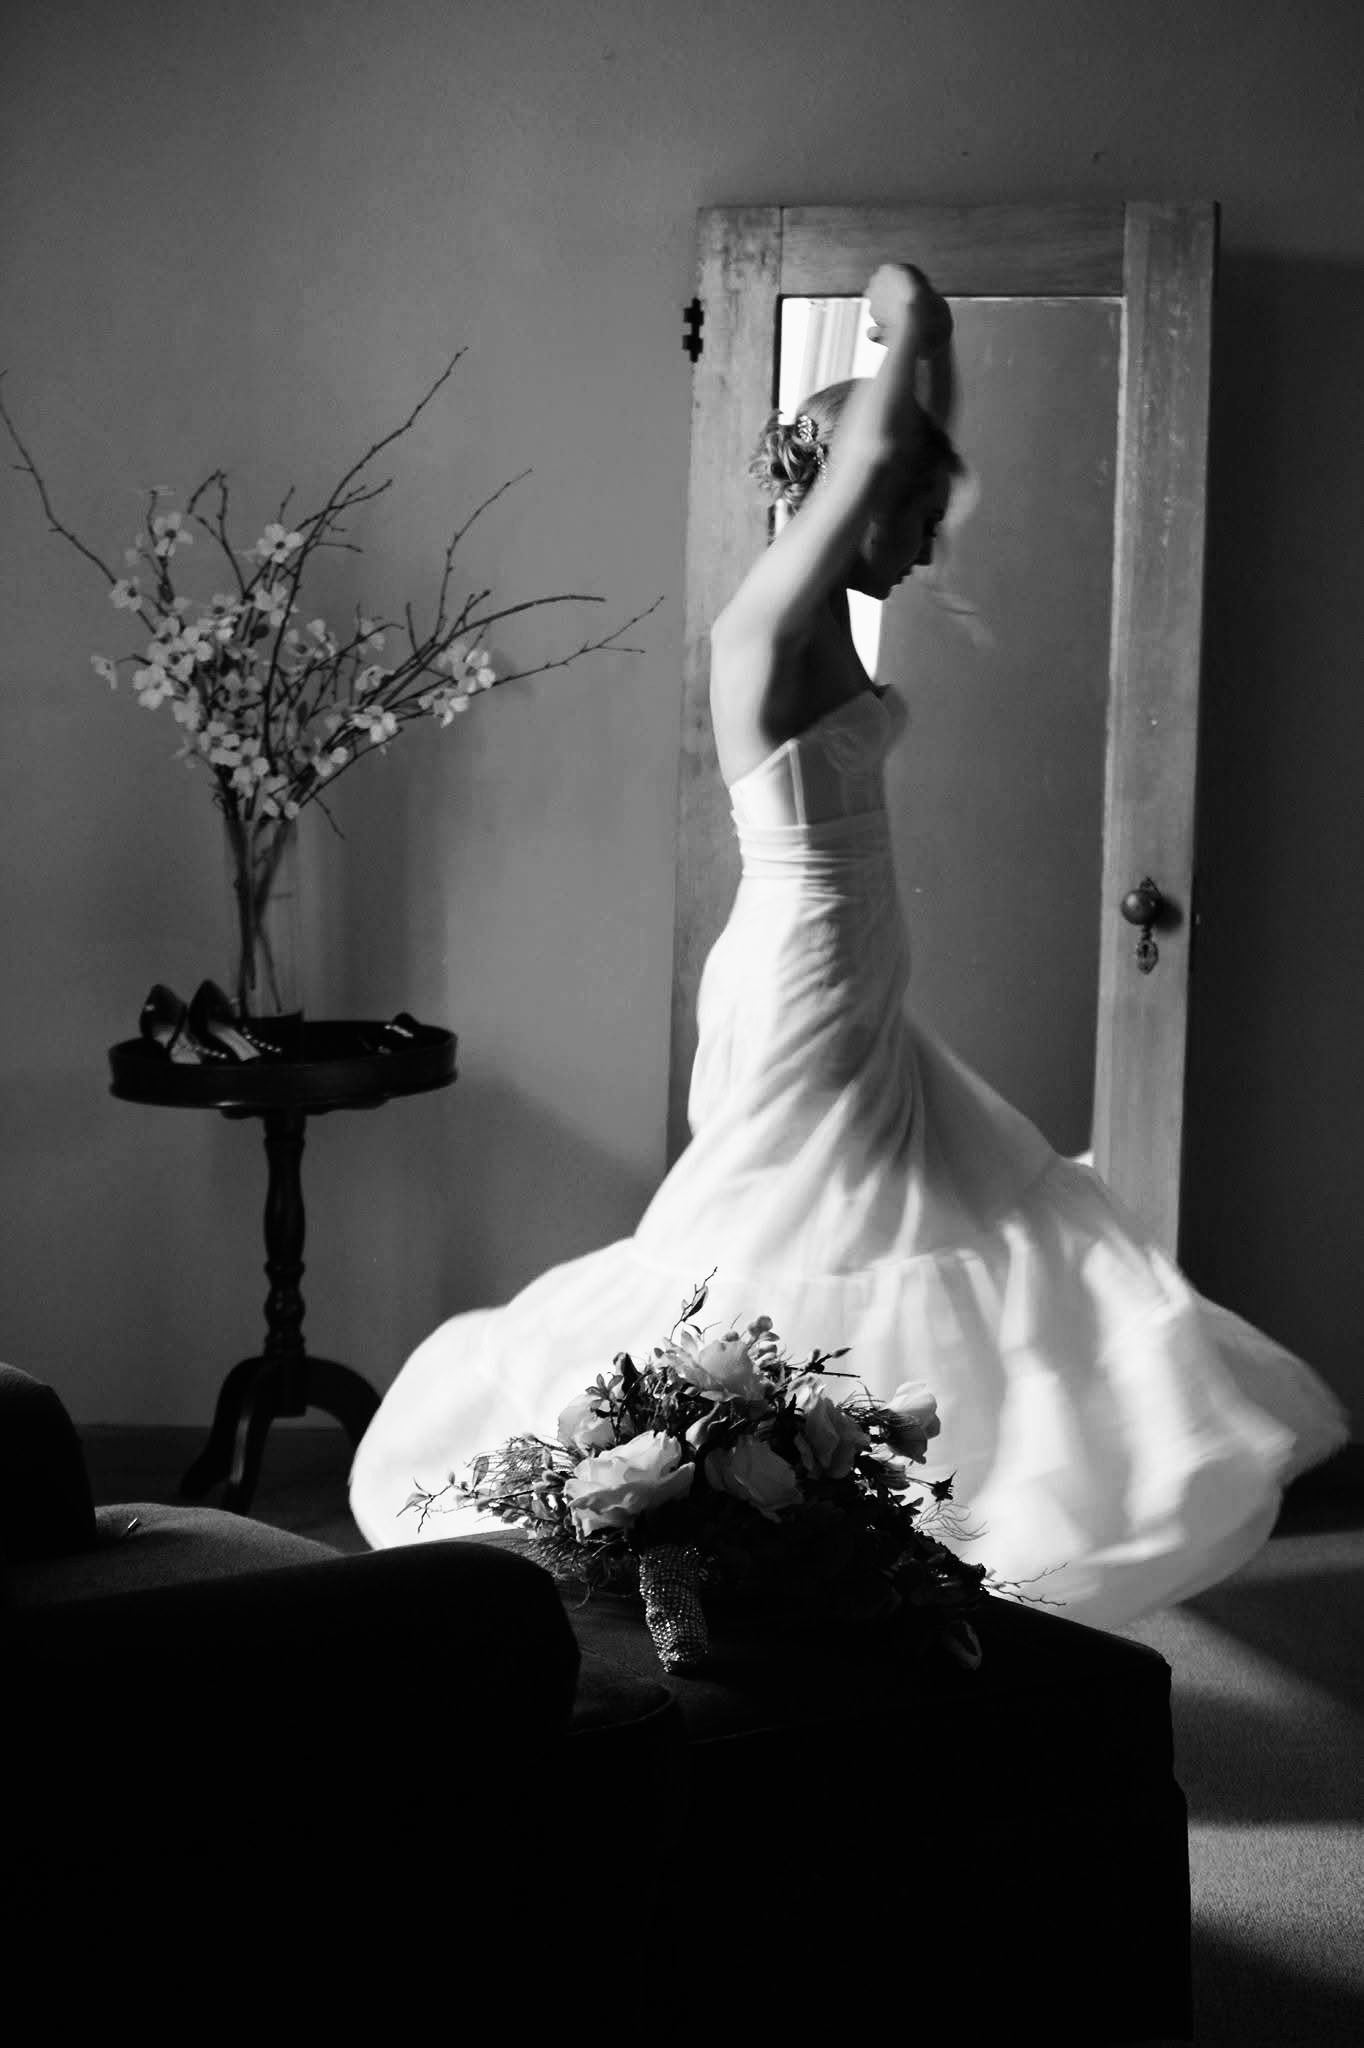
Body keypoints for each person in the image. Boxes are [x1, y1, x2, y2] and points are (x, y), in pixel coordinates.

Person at [349, 262, 1347, 1628]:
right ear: (852, 495)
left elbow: (886, 445)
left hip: (847, 966)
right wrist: (908, 314)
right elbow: (872, 443)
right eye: (916, 520)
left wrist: (918, 375)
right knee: (798, 1229)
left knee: (919, 1220)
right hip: (804, 967)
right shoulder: (763, 623)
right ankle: (693, 1499)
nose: (927, 553)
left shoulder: (816, 619)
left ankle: (847, 1531)